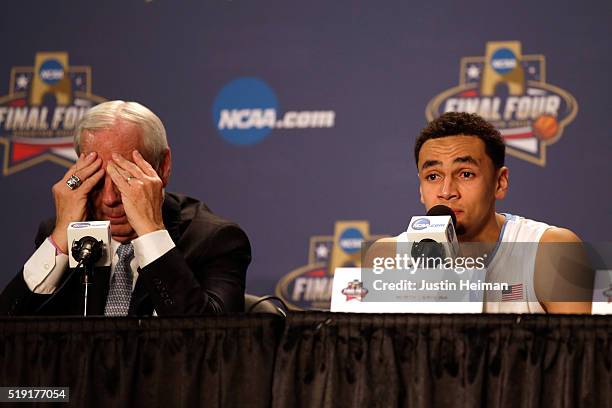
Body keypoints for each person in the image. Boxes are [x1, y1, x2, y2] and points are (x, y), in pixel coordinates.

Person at [0, 100, 251, 316]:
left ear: (163, 167)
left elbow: (214, 343)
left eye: (125, 178)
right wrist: (59, 238)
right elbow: (14, 341)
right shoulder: (66, 235)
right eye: (97, 179)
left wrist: (151, 232)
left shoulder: (213, 239)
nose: (110, 198)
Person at [375, 112, 592, 314]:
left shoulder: (550, 250)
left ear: (500, 182)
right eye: (433, 176)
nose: (447, 191)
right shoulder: (389, 256)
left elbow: (582, 352)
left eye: (466, 174)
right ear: (420, 189)